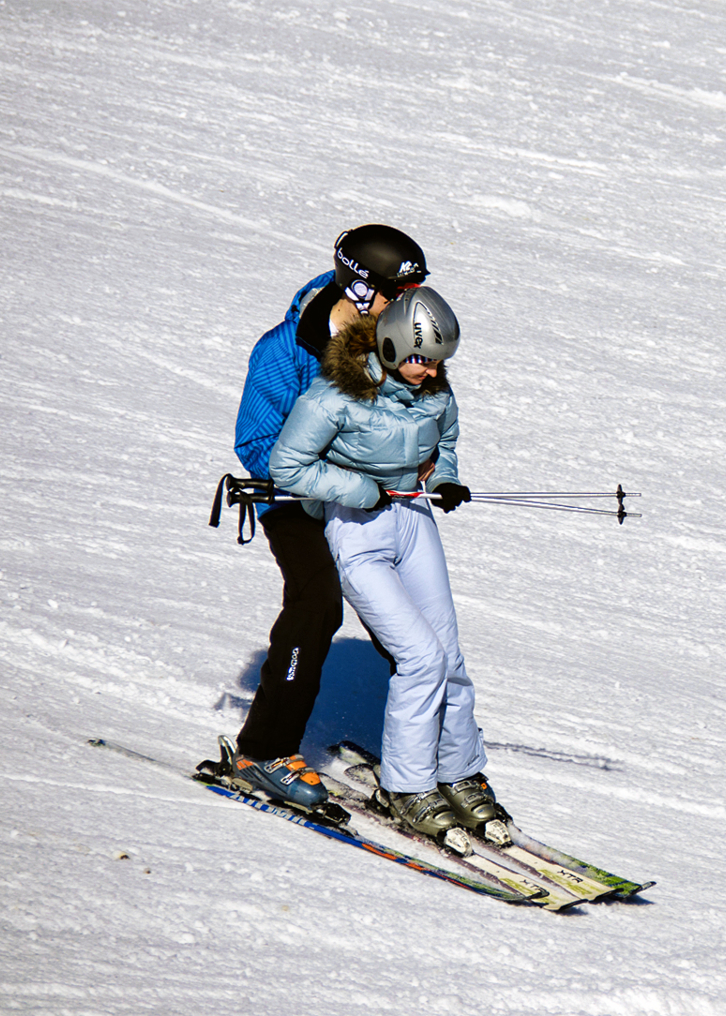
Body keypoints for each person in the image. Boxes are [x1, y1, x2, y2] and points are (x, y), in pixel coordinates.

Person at [267, 287, 497, 846]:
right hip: (357, 526)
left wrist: (443, 481)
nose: (429, 370)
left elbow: (444, 442)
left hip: (413, 519)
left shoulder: (434, 392)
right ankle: (407, 786)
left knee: (448, 654)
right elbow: (287, 466)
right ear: (391, 345)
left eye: (438, 360)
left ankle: (458, 771)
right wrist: (355, 488)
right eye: (419, 357)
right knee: (418, 656)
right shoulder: (333, 397)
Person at [227, 224, 430, 810]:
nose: (408, 304)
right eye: (398, 291)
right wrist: (340, 475)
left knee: (412, 616)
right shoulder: (284, 348)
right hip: (293, 500)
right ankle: (263, 751)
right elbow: (257, 443)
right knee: (317, 604)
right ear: (361, 287)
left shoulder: (395, 339)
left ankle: (421, 759)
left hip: (368, 498)